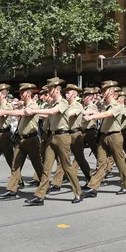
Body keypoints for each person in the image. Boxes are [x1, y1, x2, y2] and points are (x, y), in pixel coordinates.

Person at [24, 77, 83, 206]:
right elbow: (47, 114)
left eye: (50, 89)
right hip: (52, 136)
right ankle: (40, 195)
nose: (48, 91)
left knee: (67, 166)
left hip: (62, 137)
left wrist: (34, 110)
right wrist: (31, 113)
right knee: (46, 166)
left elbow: (52, 112)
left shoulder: (63, 103)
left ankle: (78, 192)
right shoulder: (52, 104)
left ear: (57, 90)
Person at [82, 81, 126, 197]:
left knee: (120, 162)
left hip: (114, 136)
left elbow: (107, 114)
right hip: (103, 136)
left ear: (111, 91)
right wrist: (91, 112)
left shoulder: (117, 106)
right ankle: (93, 187)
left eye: (105, 90)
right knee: (101, 163)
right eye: (103, 90)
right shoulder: (105, 105)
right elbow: (102, 112)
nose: (103, 92)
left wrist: (92, 116)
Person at [0, 83, 45, 200]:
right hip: (21, 140)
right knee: (15, 165)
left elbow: (21, 113)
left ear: (28, 93)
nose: (21, 95)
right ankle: (11, 189)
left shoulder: (33, 105)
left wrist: (6, 112)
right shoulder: (24, 105)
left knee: (38, 165)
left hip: (32, 139)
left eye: (23, 92)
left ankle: (45, 185)